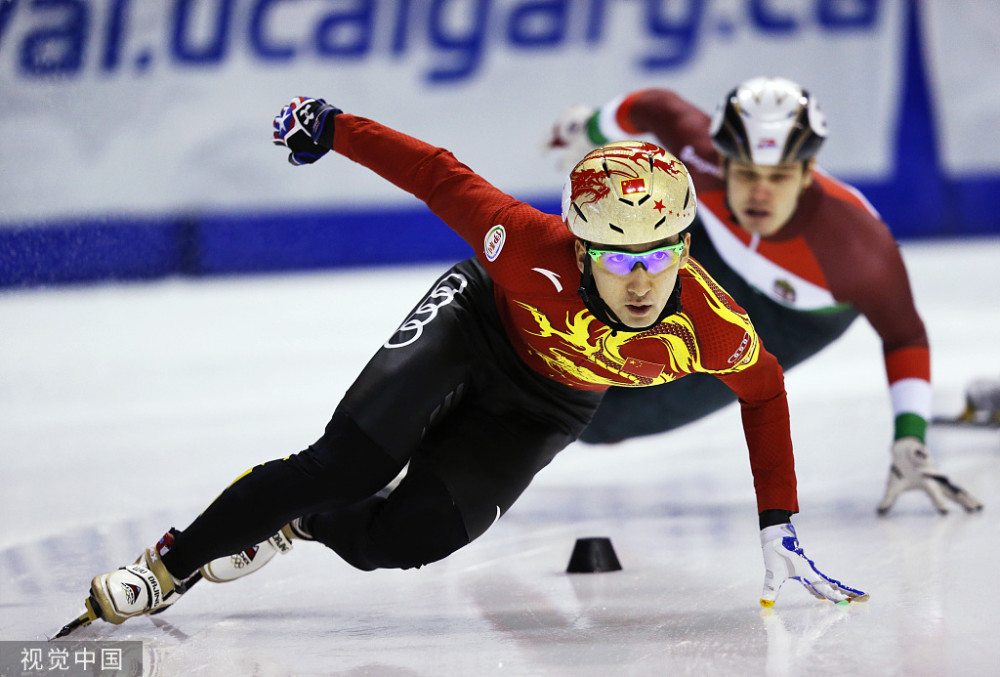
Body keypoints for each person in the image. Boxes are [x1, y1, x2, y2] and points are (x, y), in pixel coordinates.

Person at [62, 96, 867, 637]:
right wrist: (332, 126)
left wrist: (779, 521)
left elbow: (764, 396)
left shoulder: (711, 324)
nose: (641, 278)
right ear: (581, 245)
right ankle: (166, 566)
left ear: (685, 246)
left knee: (405, 539)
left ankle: (299, 522)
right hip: (476, 322)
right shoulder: (521, 243)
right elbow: (437, 173)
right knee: (347, 462)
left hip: (550, 403)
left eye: (660, 254)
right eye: (617, 258)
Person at [546, 76, 982, 516]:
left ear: (808, 173)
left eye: (779, 177)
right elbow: (652, 104)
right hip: (716, 250)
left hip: (791, 320)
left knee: (609, 418)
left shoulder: (857, 251)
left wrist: (911, 438)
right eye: (747, 173)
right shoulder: (699, 153)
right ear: (723, 161)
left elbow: (905, 337)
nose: (760, 193)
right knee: (581, 306)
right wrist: (588, 131)